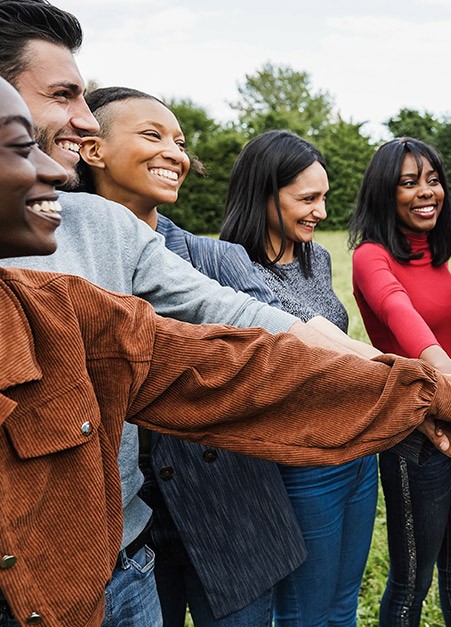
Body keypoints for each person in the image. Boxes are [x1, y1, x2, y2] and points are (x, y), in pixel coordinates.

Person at [0, 74, 451, 627]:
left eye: (179, 141)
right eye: (22, 141)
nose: (176, 154)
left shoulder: (155, 247)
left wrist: (424, 391)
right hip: (91, 536)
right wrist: (426, 389)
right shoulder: (47, 265)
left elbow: (263, 332)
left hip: (194, 516)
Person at [0, 4, 363, 624]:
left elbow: (252, 318)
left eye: (182, 141)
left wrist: (408, 378)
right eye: (63, 96)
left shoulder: (116, 232)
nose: (82, 121)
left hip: (143, 548)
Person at [75, 86, 305, 627]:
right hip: (118, 528)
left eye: (180, 141)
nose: (176, 153)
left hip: (229, 516)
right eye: (153, 136)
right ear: (92, 149)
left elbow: (292, 334)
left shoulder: (215, 258)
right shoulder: (53, 254)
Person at [218, 129, 378, 627]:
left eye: (324, 197)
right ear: (264, 194)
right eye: (307, 198)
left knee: (343, 603)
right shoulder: (229, 269)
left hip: (358, 452)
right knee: (303, 612)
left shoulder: (317, 257)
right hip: (302, 462)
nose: (322, 212)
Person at [349, 137, 451, 626]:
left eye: (432, 180)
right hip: (419, 428)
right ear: (386, 193)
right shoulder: (371, 256)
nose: (425, 192)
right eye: (409, 183)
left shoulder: (433, 251)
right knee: (413, 579)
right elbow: (400, 314)